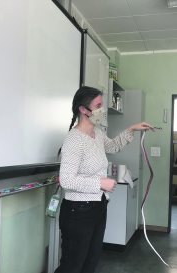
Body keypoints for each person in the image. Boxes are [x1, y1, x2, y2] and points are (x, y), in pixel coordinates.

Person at [55, 86, 153, 273]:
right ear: (84, 110)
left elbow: (114, 146)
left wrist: (132, 129)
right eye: (98, 105)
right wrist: (100, 183)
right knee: (72, 266)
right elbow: (66, 180)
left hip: (98, 207)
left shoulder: (97, 134)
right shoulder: (74, 140)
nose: (103, 109)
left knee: (90, 263)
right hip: (78, 212)